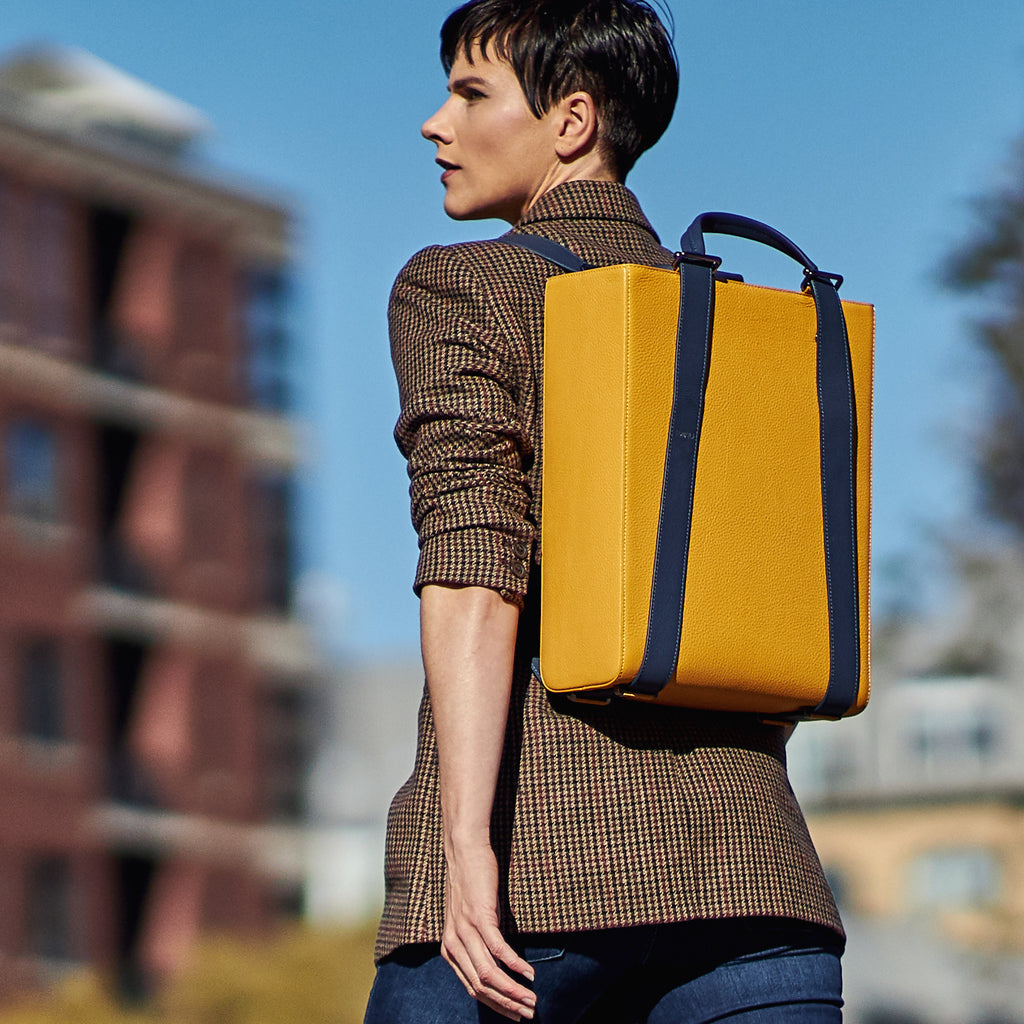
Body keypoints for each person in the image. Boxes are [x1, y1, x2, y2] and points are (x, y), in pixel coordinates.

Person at [364, 2, 846, 1021]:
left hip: (533, 888)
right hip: (757, 890)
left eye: (469, 92)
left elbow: (472, 567)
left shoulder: (461, 286)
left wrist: (465, 854)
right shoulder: (745, 319)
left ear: (571, 121)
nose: (433, 124)